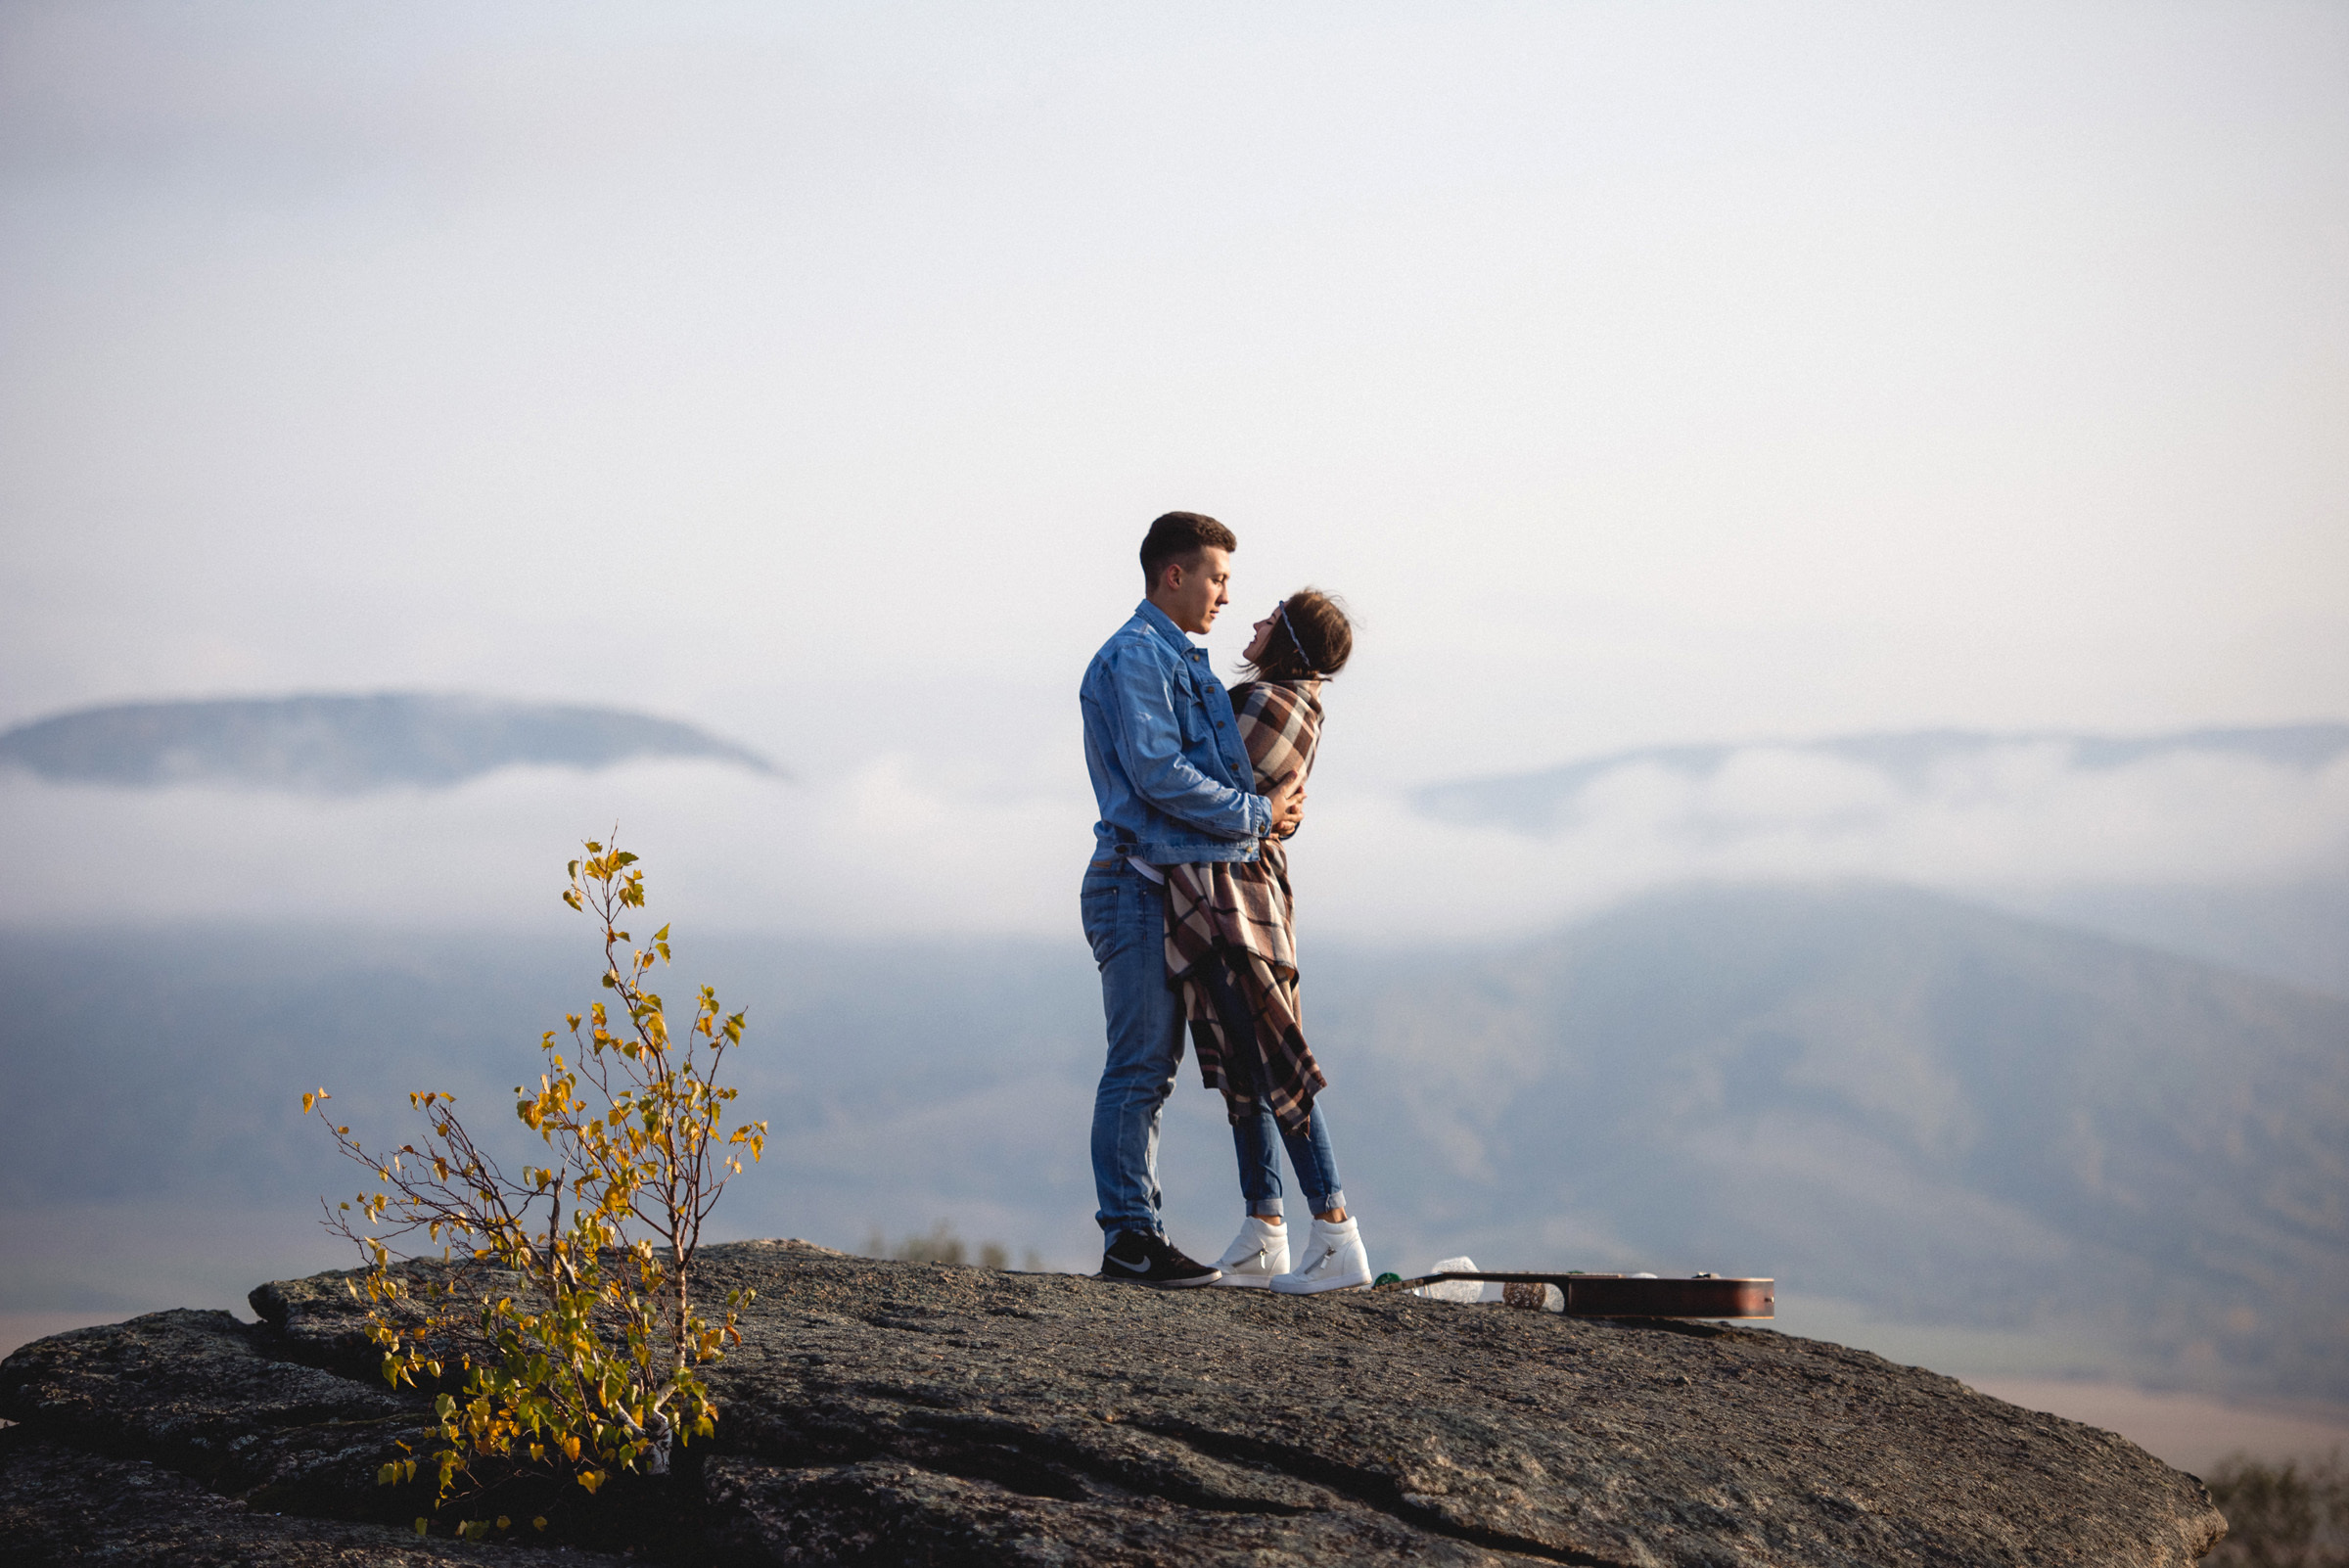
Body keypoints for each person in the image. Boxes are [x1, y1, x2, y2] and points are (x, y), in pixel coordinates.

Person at [1080, 512, 1306, 1287]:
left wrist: (1273, 811)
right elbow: (1159, 773)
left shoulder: (1184, 661)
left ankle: (1140, 1233)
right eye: (1215, 576)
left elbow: (1222, 774)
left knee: (1162, 1068)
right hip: (1135, 884)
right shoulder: (1138, 658)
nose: (1223, 593)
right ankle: (1131, 1239)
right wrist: (1255, 817)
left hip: (1171, 884)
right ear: (1172, 575)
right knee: (1140, 1065)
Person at [1161, 591, 1369, 1293]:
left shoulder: (1274, 704)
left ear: (1291, 640)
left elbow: (1204, 793)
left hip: (1237, 903)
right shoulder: (1281, 701)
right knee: (1245, 1069)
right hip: (1231, 895)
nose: (1252, 623)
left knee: (1274, 1062)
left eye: (1270, 617)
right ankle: (1264, 1229)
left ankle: (1336, 1230)